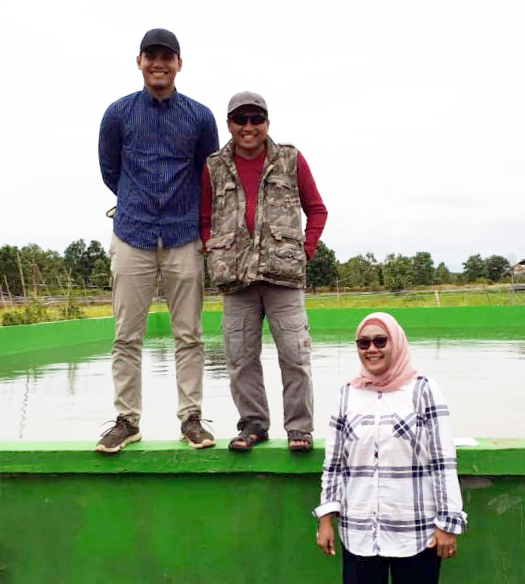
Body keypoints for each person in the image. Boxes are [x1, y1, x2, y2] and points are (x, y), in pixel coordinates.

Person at [96, 29, 219, 453]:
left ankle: (192, 419)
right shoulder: (118, 114)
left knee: (190, 334)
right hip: (132, 234)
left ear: (179, 64)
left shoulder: (200, 117)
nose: (159, 64)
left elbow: (208, 174)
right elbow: (110, 171)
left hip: (185, 235)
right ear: (139, 61)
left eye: (167, 57)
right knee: (126, 335)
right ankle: (127, 421)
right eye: (151, 56)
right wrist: (137, 202)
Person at [200, 91, 327, 452]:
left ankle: (299, 428)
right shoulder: (213, 166)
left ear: (267, 123)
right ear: (230, 125)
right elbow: (204, 219)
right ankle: (253, 425)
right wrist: (213, 248)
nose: (249, 127)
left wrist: (306, 248)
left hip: (283, 277)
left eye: (256, 119)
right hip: (235, 279)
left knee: (295, 356)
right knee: (240, 359)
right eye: (241, 120)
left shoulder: (290, 158)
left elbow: (317, 209)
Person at [314, 312, 467, 584]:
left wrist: (448, 523)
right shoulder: (348, 394)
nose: (372, 349)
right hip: (359, 533)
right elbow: (334, 463)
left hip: (416, 533)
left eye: (380, 341)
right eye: (364, 343)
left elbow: (443, 462)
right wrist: (325, 518)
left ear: (396, 342)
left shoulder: (423, 390)